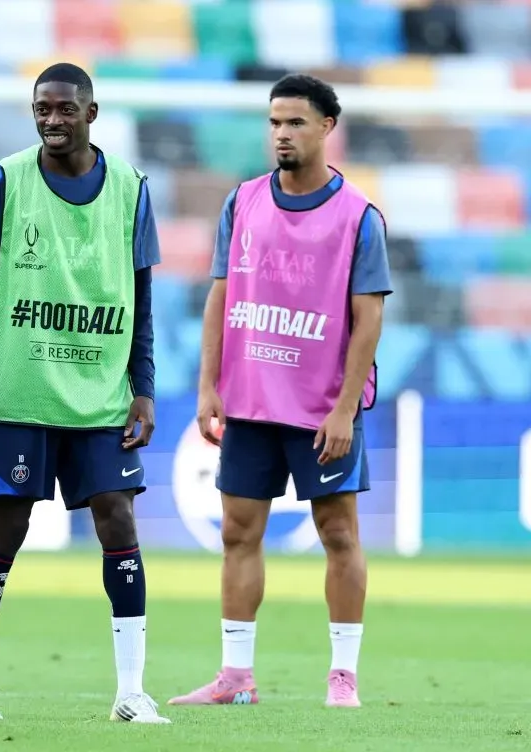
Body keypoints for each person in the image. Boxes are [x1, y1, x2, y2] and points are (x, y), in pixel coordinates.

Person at [0, 63, 168, 725]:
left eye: (65, 109)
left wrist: (143, 390)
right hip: (19, 389)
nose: (52, 119)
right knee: (6, 526)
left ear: (91, 113)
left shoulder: (131, 188)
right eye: (42, 108)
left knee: (118, 519)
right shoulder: (4, 182)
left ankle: (131, 692)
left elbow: (143, 297)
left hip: (98, 392)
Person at [168, 74, 392, 710]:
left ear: (326, 128)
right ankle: (236, 677)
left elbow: (369, 318)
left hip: (323, 405)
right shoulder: (242, 202)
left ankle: (342, 676)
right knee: (238, 531)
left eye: (295, 123)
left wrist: (346, 408)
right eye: (274, 123)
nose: (282, 134)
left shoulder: (358, 216)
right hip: (250, 400)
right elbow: (221, 295)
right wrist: (208, 386)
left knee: (339, 533)